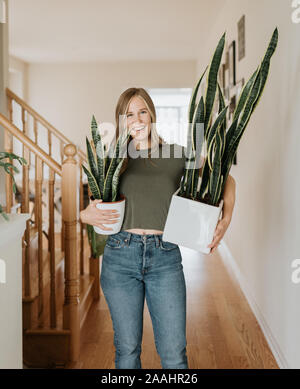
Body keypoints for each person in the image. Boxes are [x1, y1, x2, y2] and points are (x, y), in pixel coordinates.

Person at [80, 87, 236, 369]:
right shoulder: (113, 160)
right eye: (128, 114)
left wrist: (226, 218)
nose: (136, 119)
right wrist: (84, 215)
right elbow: (92, 207)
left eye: (142, 111)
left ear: (152, 114)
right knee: (126, 351)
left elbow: (226, 179)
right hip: (119, 256)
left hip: (165, 256)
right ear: (120, 120)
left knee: (174, 355)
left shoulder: (176, 154)